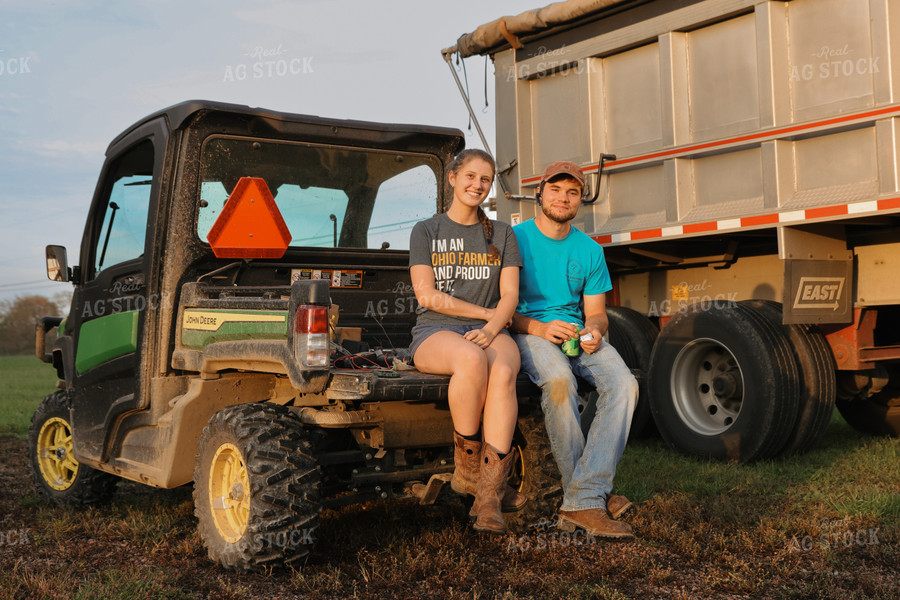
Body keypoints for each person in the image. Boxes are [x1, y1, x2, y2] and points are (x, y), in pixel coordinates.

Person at [510, 161, 638, 539]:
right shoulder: (514, 240)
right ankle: (591, 497)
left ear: (580, 200)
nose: (563, 198)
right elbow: (501, 307)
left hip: (576, 333)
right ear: (540, 193)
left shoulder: (590, 250)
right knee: (560, 382)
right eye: (555, 189)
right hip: (529, 330)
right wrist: (538, 327)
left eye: (572, 192)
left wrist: (594, 332)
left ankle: (583, 495)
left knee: (625, 385)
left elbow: (597, 313)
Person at [408, 148, 525, 534]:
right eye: (471, 176)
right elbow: (427, 295)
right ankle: (469, 472)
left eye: (485, 180)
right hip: (436, 330)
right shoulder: (426, 230)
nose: (477, 185)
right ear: (453, 179)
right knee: (472, 360)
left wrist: (493, 329)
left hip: (494, 328)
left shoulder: (503, 234)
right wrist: (484, 316)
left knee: (504, 369)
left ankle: (489, 497)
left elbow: (509, 295)